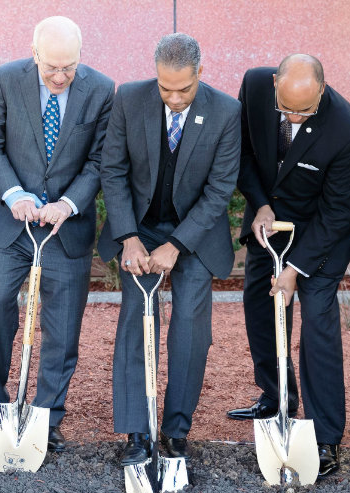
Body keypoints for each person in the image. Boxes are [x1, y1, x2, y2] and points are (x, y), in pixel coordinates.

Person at [98, 32, 241, 466]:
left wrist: (177, 245)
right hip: (138, 227)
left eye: (184, 88)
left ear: (201, 73)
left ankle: (176, 429)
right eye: (165, 88)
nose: (174, 98)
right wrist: (128, 237)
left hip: (194, 234)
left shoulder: (226, 111)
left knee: (190, 328)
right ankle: (137, 432)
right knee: (135, 320)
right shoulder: (129, 99)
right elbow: (113, 169)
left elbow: (220, 190)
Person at [0, 16, 114, 453]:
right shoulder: (5, 79)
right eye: (50, 66)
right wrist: (14, 194)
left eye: (68, 67)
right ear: (34, 55)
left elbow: (100, 160)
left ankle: (46, 419)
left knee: (62, 327)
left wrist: (68, 204)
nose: (58, 76)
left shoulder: (102, 89)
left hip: (65, 230)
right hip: (10, 226)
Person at [225, 55, 350, 477]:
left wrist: (295, 269)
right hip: (269, 222)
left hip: (321, 230)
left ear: (322, 90)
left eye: (303, 111)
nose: (292, 117)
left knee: (318, 322)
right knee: (261, 306)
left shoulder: (348, 129)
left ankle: (325, 437)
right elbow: (244, 154)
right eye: (285, 107)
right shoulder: (254, 87)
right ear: (273, 84)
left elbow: (339, 211)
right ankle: (276, 398)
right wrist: (261, 204)